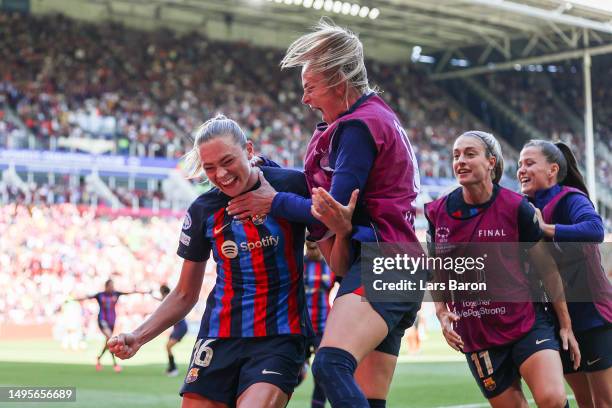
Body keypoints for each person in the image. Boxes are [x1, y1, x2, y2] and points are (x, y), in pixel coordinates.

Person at [226, 19, 423, 408]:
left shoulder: (357, 128)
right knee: (368, 398)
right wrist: (263, 170)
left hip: (383, 265)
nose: (305, 99)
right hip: (400, 266)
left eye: (310, 87)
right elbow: (318, 190)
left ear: (338, 80)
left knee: (330, 364)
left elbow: (330, 212)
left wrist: (271, 200)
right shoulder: (376, 117)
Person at [108, 115, 313, 408]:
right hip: (219, 336)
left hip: (278, 336)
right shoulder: (204, 209)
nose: (221, 173)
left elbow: (333, 221)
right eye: (210, 167)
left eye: (228, 161)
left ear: (250, 151)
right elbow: (184, 293)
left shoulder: (291, 185)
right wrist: (138, 337)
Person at [425, 131, 580, 408]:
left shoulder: (516, 207)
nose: (460, 161)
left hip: (526, 323)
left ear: (490, 162)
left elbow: (548, 269)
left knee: (553, 399)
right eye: (456, 155)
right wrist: (440, 309)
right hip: (477, 335)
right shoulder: (438, 213)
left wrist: (566, 325)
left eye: (470, 154)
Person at [517, 140, 612, 407]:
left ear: (553, 169)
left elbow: (595, 230)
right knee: (584, 402)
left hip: (593, 315)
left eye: (530, 163)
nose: (521, 169)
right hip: (558, 319)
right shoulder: (524, 207)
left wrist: (546, 228)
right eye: (520, 164)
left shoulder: (570, 198)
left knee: (603, 402)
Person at [74, 279, 150, 373]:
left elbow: (130, 292)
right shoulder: (100, 295)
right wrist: (72, 299)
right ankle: (115, 364)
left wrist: (144, 292)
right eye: (110, 286)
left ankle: (99, 358)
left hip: (112, 322)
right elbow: (86, 298)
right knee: (110, 338)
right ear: (106, 286)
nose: (112, 287)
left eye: (113, 285)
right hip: (102, 320)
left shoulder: (116, 294)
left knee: (108, 342)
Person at [301, 242, 334, 408]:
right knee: (293, 374)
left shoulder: (331, 265)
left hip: (323, 328)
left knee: (322, 372)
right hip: (301, 328)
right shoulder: (299, 265)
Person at [158, 284, 189, 377]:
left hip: (181, 327)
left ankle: (173, 369)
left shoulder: (168, 300)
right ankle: (171, 368)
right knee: (168, 347)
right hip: (178, 327)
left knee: (168, 347)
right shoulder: (170, 299)